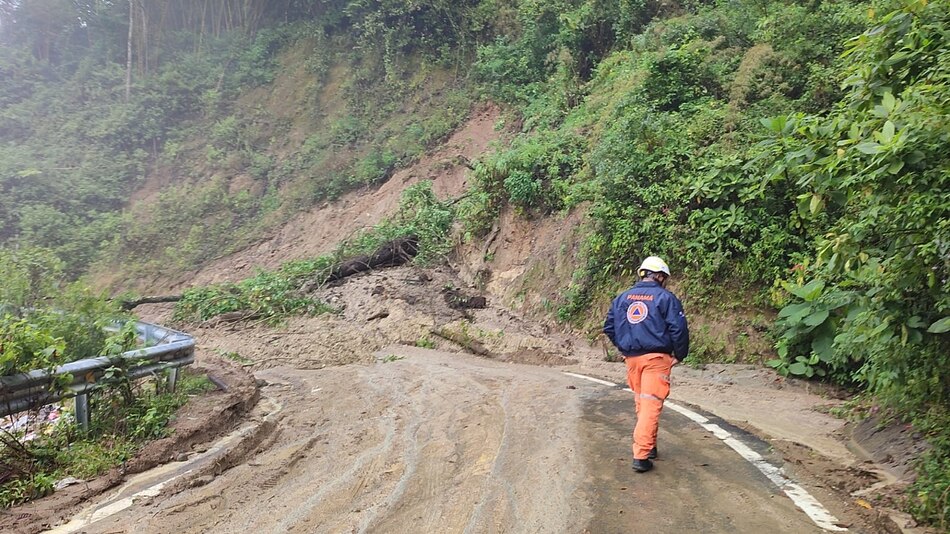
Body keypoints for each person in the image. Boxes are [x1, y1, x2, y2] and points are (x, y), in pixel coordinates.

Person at [603, 256, 689, 473]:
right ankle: (641, 456)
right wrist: (680, 354)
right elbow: (678, 329)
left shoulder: (622, 298)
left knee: (642, 403)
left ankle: (649, 446)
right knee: (650, 405)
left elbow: (609, 327)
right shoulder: (666, 298)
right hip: (656, 359)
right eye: (665, 278)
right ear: (659, 276)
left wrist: (624, 347)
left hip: (632, 359)